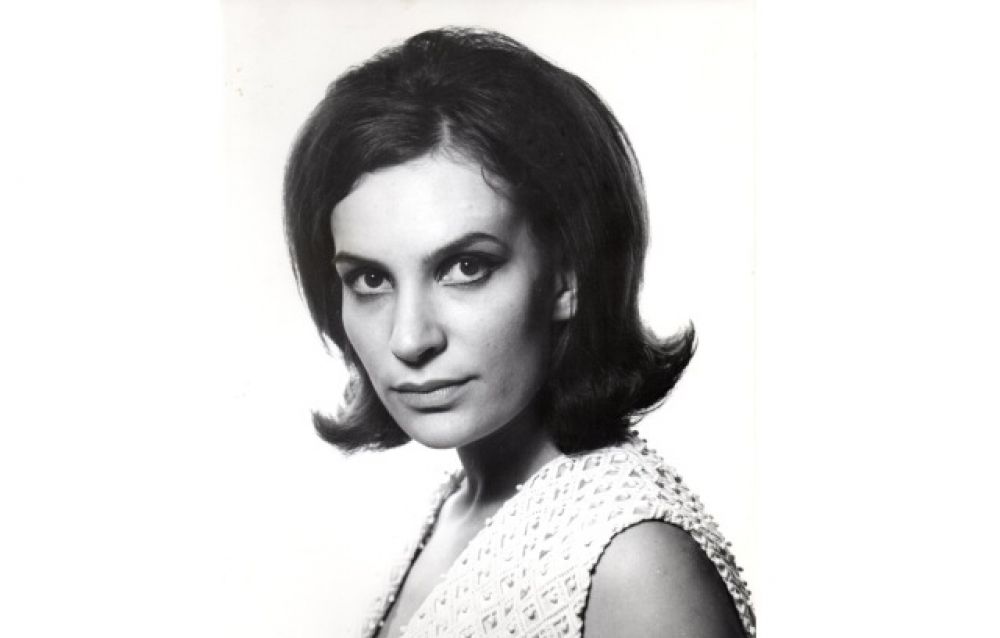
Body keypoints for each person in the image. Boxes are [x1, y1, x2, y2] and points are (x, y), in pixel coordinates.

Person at [283, 27, 754, 638]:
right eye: (370, 279)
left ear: (567, 276)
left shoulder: (631, 562)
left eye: (465, 267)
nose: (409, 339)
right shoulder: (457, 510)